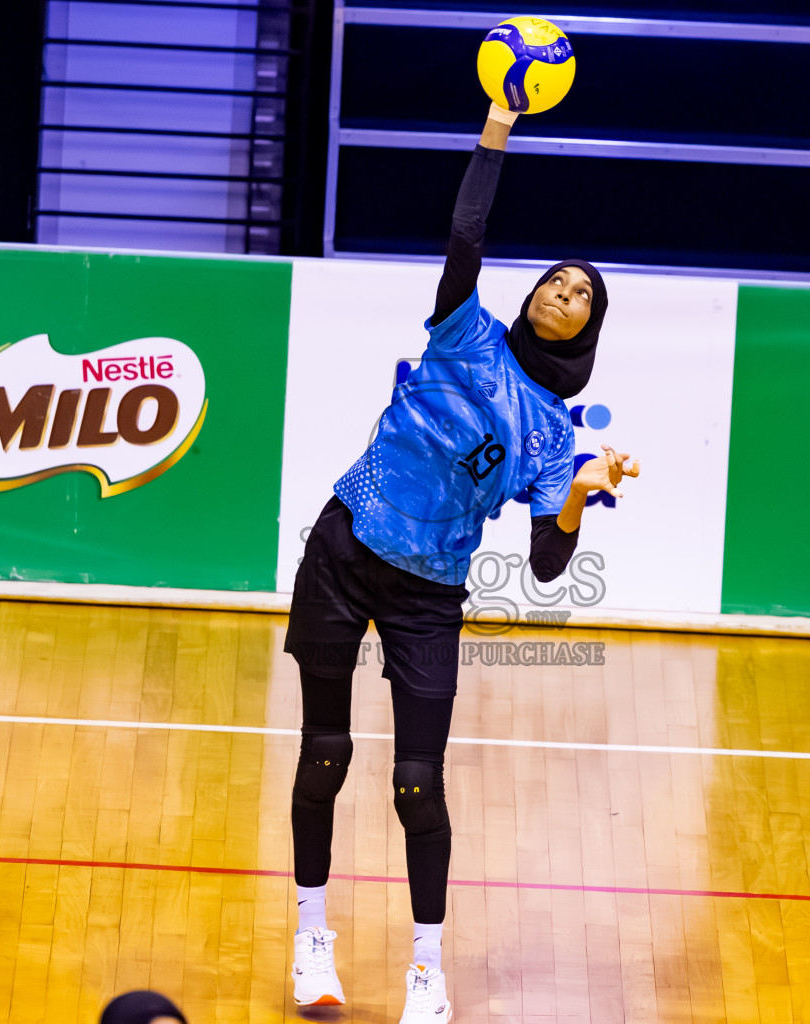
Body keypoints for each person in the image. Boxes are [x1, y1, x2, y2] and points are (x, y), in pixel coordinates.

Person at [284, 100, 640, 1023]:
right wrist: (496, 129)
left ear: (586, 333)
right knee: (325, 753)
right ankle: (310, 939)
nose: (561, 294)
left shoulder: (555, 434)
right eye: (556, 282)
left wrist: (576, 493)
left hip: (429, 595)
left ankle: (426, 972)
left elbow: (552, 567)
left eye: (580, 297)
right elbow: (466, 228)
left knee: (418, 782)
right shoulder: (464, 325)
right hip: (344, 545)